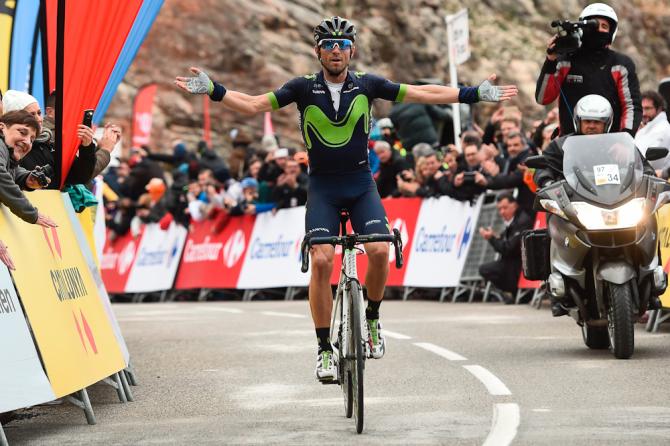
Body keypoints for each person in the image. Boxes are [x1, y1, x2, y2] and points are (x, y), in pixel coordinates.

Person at [175, 16, 517, 381]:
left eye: (342, 45)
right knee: (322, 260)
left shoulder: (368, 85)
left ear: (352, 50)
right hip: (322, 186)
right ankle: (324, 348)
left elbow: (422, 93)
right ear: (318, 51)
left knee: (381, 250)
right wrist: (214, 89)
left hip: (360, 184)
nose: (335, 50)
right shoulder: (301, 88)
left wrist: (472, 93)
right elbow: (255, 104)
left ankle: (371, 319)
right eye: (328, 45)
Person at [535, 3, 641, 136]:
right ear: (582, 27)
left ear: (611, 32)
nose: (599, 30)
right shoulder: (565, 60)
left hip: (612, 146)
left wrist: (625, 138)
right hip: (569, 146)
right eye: (593, 25)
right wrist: (550, 60)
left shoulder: (621, 64)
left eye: (604, 26)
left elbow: (631, 106)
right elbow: (543, 98)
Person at [0, 110, 57, 227]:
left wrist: (26, 178)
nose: (27, 141)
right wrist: (30, 213)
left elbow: (12, 170)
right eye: (22, 132)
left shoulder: (6, 154)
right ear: (2, 127)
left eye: (32, 139)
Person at [478, 193, 533, 302]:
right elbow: (506, 241)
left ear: (515, 205)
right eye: (500, 209)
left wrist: (492, 239)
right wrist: (495, 237)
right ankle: (514, 293)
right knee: (486, 268)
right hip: (513, 264)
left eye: (505, 208)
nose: (502, 212)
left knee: (486, 269)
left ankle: (515, 291)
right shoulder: (513, 221)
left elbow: (508, 248)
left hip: (520, 266)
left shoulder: (522, 221)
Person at [634, 91, 670, 176]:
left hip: (657, 184)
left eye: (647, 108)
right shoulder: (647, 129)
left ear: (659, 109)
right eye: (642, 108)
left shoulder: (663, 130)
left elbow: (649, 162)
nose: (643, 113)